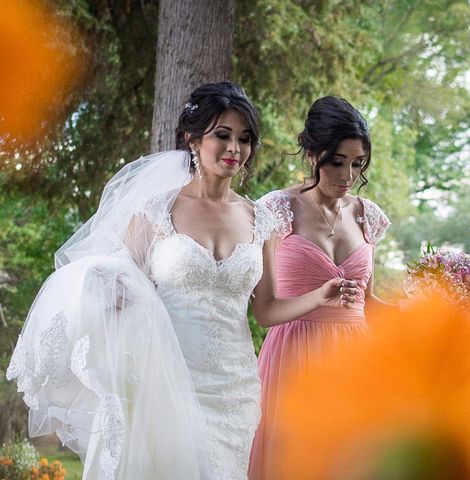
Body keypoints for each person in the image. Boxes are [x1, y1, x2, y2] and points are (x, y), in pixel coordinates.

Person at [6, 82, 356, 479]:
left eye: (244, 139)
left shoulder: (263, 220)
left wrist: (319, 296)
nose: (234, 149)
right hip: (167, 380)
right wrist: (111, 293)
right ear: (192, 139)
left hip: (234, 390)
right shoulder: (155, 212)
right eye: (222, 135)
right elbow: (122, 285)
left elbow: (266, 309)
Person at [248, 96, 392, 479]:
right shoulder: (276, 209)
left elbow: (370, 302)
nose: (347, 175)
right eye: (337, 161)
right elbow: (264, 312)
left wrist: (429, 309)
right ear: (312, 155)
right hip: (293, 358)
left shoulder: (368, 215)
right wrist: (319, 296)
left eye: (357, 164)